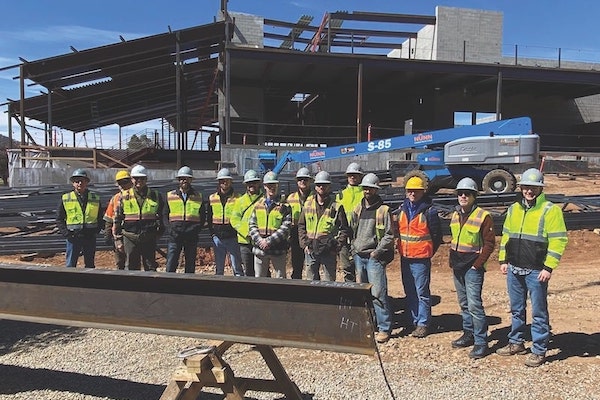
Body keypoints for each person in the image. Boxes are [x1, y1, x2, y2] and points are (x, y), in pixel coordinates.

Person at [496, 168, 568, 367]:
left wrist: (548, 267)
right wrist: (503, 260)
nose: (529, 191)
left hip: (537, 270)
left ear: (540, 189)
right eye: (526, 187)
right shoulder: (514, 209)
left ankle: (539, 350)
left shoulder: (550, 210)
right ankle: (516, 342)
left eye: (533, 187)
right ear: (521, 188)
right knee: (516, 309)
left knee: (538, 312)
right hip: (515, 268)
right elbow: (506, 236)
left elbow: (559, 240)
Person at [448, 177, 495, 359]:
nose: (463, 196)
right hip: (458, 265)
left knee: (475, 305)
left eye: (467, 194)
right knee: (464, 303)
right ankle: (468, 333)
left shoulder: (483, 216)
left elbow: (490, 244)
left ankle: (481, 342)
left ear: (474, 196)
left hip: (472, 267)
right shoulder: (455, 214)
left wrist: (477, 265)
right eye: (460, 193)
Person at [350, 173, 395, 343]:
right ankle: (369, 325)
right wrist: (354, 248)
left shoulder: (383, 210)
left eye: (370, 188)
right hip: (359, 256)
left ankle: (384, 328)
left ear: (376, 189)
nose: (367, 191)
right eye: (365, 188)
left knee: (378, 293)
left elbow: (389, 235)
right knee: (364, 294)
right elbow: (353, 230)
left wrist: (377, 252)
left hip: (374, 258)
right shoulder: (357, 208)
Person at [396, 175, 442, 338]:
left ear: (422, 191)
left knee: (422, 291)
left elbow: (437, 236)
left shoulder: (430, 211)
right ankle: (413, 320)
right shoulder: (402, 208)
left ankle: (423, 323)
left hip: (421, 258)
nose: (412, 194)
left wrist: (428, 251)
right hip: (405, 257)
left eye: (416, 191)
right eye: (410, 191)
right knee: (410, 291)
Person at [298, 171, 349, 281]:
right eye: (319, 185)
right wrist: (304, 244)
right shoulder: (308, 205)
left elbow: (343, 229)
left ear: (329, 186)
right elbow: (301, 225)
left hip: (328, 251)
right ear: (315, 187)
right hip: (310, 249)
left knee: (328, 283)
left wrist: (336, 247)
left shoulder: (336, 207)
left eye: (324, 185)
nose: (322, 187)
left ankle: (327, 299)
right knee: (311, 283)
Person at [113, 164, 164, 271]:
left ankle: (149, 287)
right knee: (131, 266)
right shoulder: (124, 196)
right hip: (130, 237)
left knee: (150, 267)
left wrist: (158, 233)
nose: (139, 180)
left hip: (149, 237)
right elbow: (117, 219)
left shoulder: (155, 195)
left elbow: (161, 217)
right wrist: (118, 240)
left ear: (146, 179)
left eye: (142, 178)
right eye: (136, 178)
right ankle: (132, 287)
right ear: (132, 179)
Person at [56, 168, 102, 268]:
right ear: (73, 183)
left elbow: (100, 217)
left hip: (89, 236)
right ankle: (70, 282)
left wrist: (96, 231)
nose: (80, 183)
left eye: (82, 181)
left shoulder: (95, 198)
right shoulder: (66, 198)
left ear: (87, 182)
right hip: (73, 237)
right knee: (71, 264)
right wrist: (66, 233)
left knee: (90, 264)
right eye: (77, 181)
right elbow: (59, 218)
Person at [248, 172, 292, 278]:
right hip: (260, 250)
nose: (271, 188)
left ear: (277, 186)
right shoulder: (258, 205)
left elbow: (285, 228)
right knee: (259, 278)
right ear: (264, 186)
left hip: (278, 249)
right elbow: (252, 224)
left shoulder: (285, 206)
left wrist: (268, 241)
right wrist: (260, 241)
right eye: (269, 185)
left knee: (280, 278)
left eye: (274, 185)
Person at [164, 166, 205, 273]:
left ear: (191, 180)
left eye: (186, 178)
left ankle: (188, 286)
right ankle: (168, 284)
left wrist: (196, 229)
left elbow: (202, 216)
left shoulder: (198, 196)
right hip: (175, 235)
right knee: (171, 262)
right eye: (182, 178)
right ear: (178, 180)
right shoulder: (170, 195)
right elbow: (164, 215)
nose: (184, 181)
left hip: (191, 236)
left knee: (190, 264)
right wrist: (170, 230)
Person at [207, 168, 244, 276]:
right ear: (219, 182)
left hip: (233, 237)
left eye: (227, 180)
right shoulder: (212, 198)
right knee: (219, 269)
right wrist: (212, 234)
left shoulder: (238, 198)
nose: (224, 182)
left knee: (237, 267)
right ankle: (219, 290)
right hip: (218, 238)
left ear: (231, 181)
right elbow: (209, 217)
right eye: (222, 180)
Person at [231, 169, 264, 277]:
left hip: (260, 241)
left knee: (263, 270)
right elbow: (234, 220)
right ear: (246, 184)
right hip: (245, 241)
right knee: (249, 271)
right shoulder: (240, 201)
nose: (251, 185)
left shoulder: (264, 199)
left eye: (254, 182)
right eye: (249, 183)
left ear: (258, 183)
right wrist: (247, 232)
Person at [336, 162, 365, 282]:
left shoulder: (365, 193)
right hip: (344, 237)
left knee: (362, 268)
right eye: (350, 175)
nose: (353, 177)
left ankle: (364, 295)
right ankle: (350, 295)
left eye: (355, 175)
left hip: (360, 236)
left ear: (360, 177)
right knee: (347, 267)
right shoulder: (340, 195)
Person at [285, 167, 314, 279]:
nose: (303, 181)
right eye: (300, 179)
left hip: (311, 232)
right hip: (295, 233)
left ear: (310, 181)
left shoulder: (315, 197)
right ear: (297, 181)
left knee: (311, 265)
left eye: (305, 179)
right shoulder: (290, 198)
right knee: (296, 264)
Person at [103, 170, 133, 269]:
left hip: (132, 235)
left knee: (132, 262)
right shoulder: (115, 199)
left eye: (125, 181)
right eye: (120, 183)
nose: (123, 185)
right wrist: (108, 235)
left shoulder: (136, 197)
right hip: (118, 236)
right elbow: (109, 219)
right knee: (120, 262)